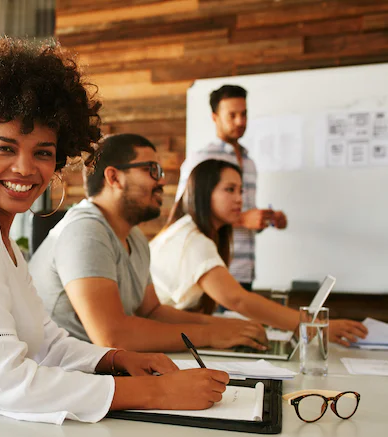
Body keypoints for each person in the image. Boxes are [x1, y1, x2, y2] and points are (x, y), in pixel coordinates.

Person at [0, 39, 229, 426]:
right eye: (5, 148)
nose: (25, 168)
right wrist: (156, 392)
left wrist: (116, 359)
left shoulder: (6, 245)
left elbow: (47, 343)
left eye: (42, 152)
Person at [29, 133, 268, 353]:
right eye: (152, 170)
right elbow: (112, 337)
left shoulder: (135, 238)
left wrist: (226, 326)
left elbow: (152, 312)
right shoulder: (85, 231)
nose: (162, 181)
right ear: (114, 177)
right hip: (63, 380)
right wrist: (211, 334)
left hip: (98, 373)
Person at [150, 159, 368, 346]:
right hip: (155, 339)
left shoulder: (189, 231)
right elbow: (238, 300)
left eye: (240, 191)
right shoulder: (192, 240)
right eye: (229, 189)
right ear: (204, 192)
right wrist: (312, 325)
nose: (239, 199)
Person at [175, 85, 285, 292]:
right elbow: (186, 211)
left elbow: (239, 212)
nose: (240, 121)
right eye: (232, 115)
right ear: (215, 117)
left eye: (244, 114)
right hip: (212, 269)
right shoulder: (202, 159)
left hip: (245, 270)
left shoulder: (249, 162)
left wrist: (265, 219)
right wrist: (243, 219)